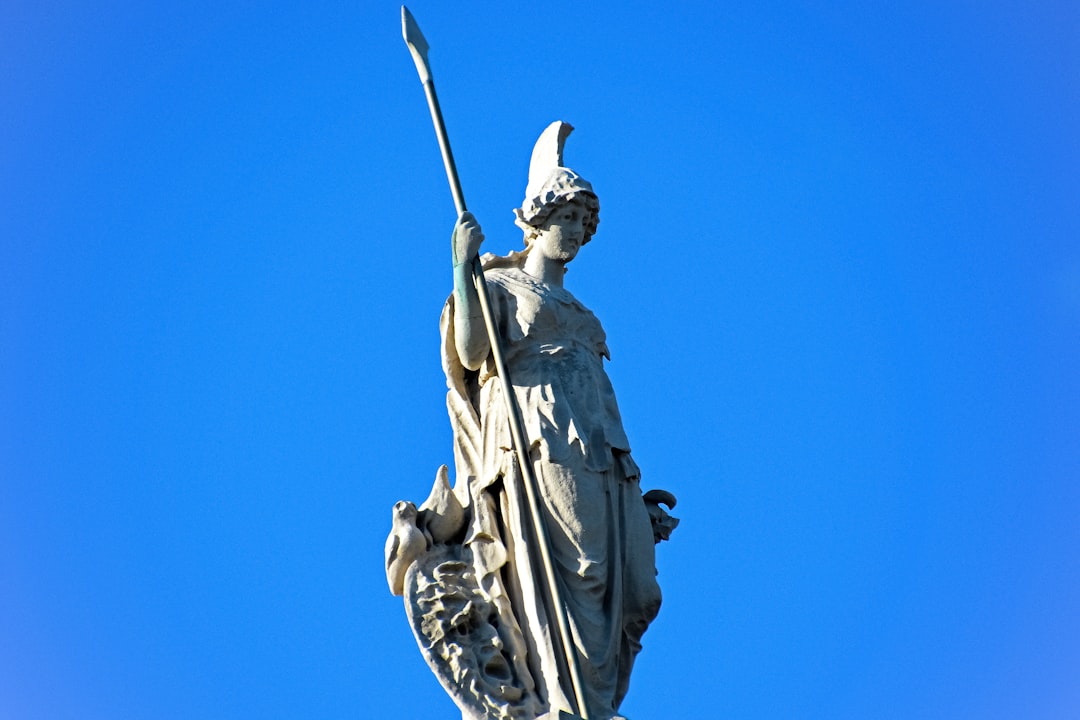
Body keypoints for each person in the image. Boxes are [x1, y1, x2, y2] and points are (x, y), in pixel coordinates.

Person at [441, 121, 662, 720]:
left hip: (603, 449)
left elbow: (601, 393)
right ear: (539, 218)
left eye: (585, 223)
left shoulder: (584, 312)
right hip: (539, 439)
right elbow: (471, 355)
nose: (578, 233)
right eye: (568, 218)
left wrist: (637, 489)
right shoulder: (501, 285)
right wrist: (464, 269)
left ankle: (597, 702)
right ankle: (563, 701)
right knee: (579, 574)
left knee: (639, 591)